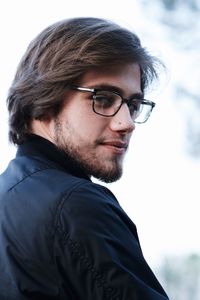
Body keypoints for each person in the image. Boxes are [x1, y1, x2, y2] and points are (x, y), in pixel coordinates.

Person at [0, 17, 169, 299]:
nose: (126, 123)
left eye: (134, 104)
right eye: (103, 99)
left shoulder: (8, 197)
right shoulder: (75, 204)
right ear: (44, 99)